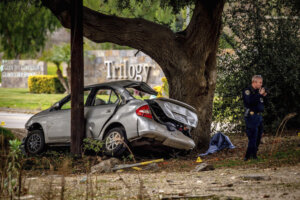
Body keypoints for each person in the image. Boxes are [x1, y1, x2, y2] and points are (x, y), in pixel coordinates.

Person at [242, 75, 267, 161]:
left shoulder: (257, 92)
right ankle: (249, 156)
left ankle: (252, 154)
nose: (261, 84)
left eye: (261, 82)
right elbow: (250, 102)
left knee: (258, 136)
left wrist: (263, 96)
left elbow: (260, 103)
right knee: (253, 136)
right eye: (260, 82)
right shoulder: (248, 91)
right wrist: (259, 95)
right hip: (251, 116)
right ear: (254, 82)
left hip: (258, 116)